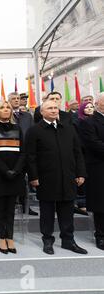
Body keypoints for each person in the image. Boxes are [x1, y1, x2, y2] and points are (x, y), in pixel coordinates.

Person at [26, 100, 87, 255]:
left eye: (55, 108)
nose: (54, 110)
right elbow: (30, 156)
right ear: (42, 112)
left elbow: (77, 152)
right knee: (47, 212)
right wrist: (33, 176)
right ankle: (47, 240)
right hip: (46, 178)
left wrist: (80, 173)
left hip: (68, 176)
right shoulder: (34, 131)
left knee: (67, 210)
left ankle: (68, 240)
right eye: (50, 108)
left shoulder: (68, 128)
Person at [0, 101, 26, 254]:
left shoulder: (17, 128)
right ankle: (2, 238)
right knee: (0, 209)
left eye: (8, 107)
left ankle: (10, 238)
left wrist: (16, 170)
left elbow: (23, 152)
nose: (6, 110)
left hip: (15, 175)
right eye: (2, 107)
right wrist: (5, 171)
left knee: (11, 210)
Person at [78, 93, 104, 250]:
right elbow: (93, 143)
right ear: (99, 103)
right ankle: (100, 235)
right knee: (101, 204)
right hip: (98, 167)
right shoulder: (89, 122)